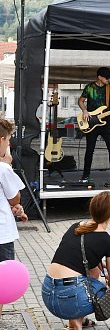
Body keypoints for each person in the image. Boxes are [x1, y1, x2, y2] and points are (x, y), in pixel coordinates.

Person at [41, 191, 110, 330]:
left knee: (93, 273)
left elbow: (76, 258)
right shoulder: (108, 242)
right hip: (69, 300)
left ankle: (79, 321)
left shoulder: (76, 226)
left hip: (48, 293)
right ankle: (75, 321)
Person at [78, 67, 110, 182]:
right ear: (99, 77)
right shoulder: (90, 87)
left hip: (107, 123)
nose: (108, 79)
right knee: (89, 150)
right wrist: (85, 111)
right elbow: (80, 101)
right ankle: (85, 176)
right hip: (92, 123)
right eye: (107, 77)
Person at [0, 118, 28, 316]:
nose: (9, 144)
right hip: (2, 235)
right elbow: (14, 196)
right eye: (8, 140)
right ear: (1, 139)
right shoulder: (3, 169)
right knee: (1, 284)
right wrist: (7, 164)